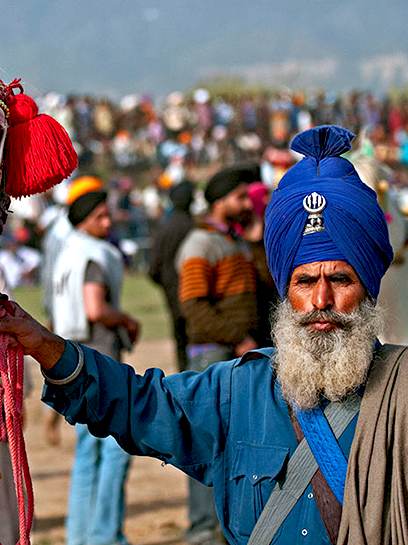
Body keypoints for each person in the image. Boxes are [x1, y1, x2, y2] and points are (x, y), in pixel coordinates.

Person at [0, 125, 408, 545]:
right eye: (304, 282)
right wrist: (46, 346)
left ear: (367, 286)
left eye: (340, 279)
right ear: (284, 287)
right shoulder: (234, 391)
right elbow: (136, 404)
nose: (321, 301)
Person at [173, 165, 263, 544]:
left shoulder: (235, 241)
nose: (248, 203)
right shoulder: (200, 244)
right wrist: (239, 337)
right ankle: (204, 527)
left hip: (236, 352)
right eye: (241, 197)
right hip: (215, 355)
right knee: (208, 444)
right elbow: (193, 308)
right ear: (220, 201)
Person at [49, 176, 140, 545]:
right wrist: (127, 320)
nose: (108, 223)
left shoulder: (65, 253)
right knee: (116, 450)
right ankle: (104, 534)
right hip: (98, 360)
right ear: (84, 220)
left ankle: (80, 534)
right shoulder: (93, 255)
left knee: (88, 451)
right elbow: (95, 307)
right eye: (100, 217)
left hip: (73, 358)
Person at [148, 180, 196, 372]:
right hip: (195, 294)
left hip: (172, 294)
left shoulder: (164, 229)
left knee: (180, 340)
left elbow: (153, 269)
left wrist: (168, 285)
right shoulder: (195, 227)